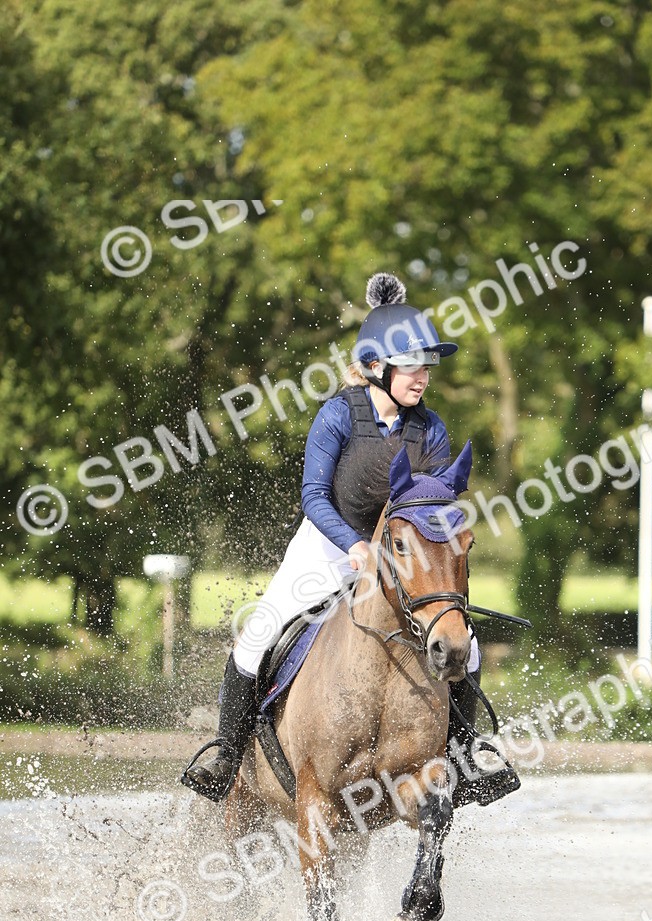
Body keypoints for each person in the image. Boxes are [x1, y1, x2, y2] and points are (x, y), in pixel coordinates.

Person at [182, 273, 519, 806]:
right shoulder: (338, 415)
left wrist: (416, 555)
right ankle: (227, 754)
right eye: (412, 365)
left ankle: (464, 756)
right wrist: (355, 547)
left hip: (400, 555)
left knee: (468, 647)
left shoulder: (430, 429)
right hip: (328, 546)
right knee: (258, 634)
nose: (423, 376)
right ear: (377, 367)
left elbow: (430, 505)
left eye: (427, 365)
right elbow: (314, 497)